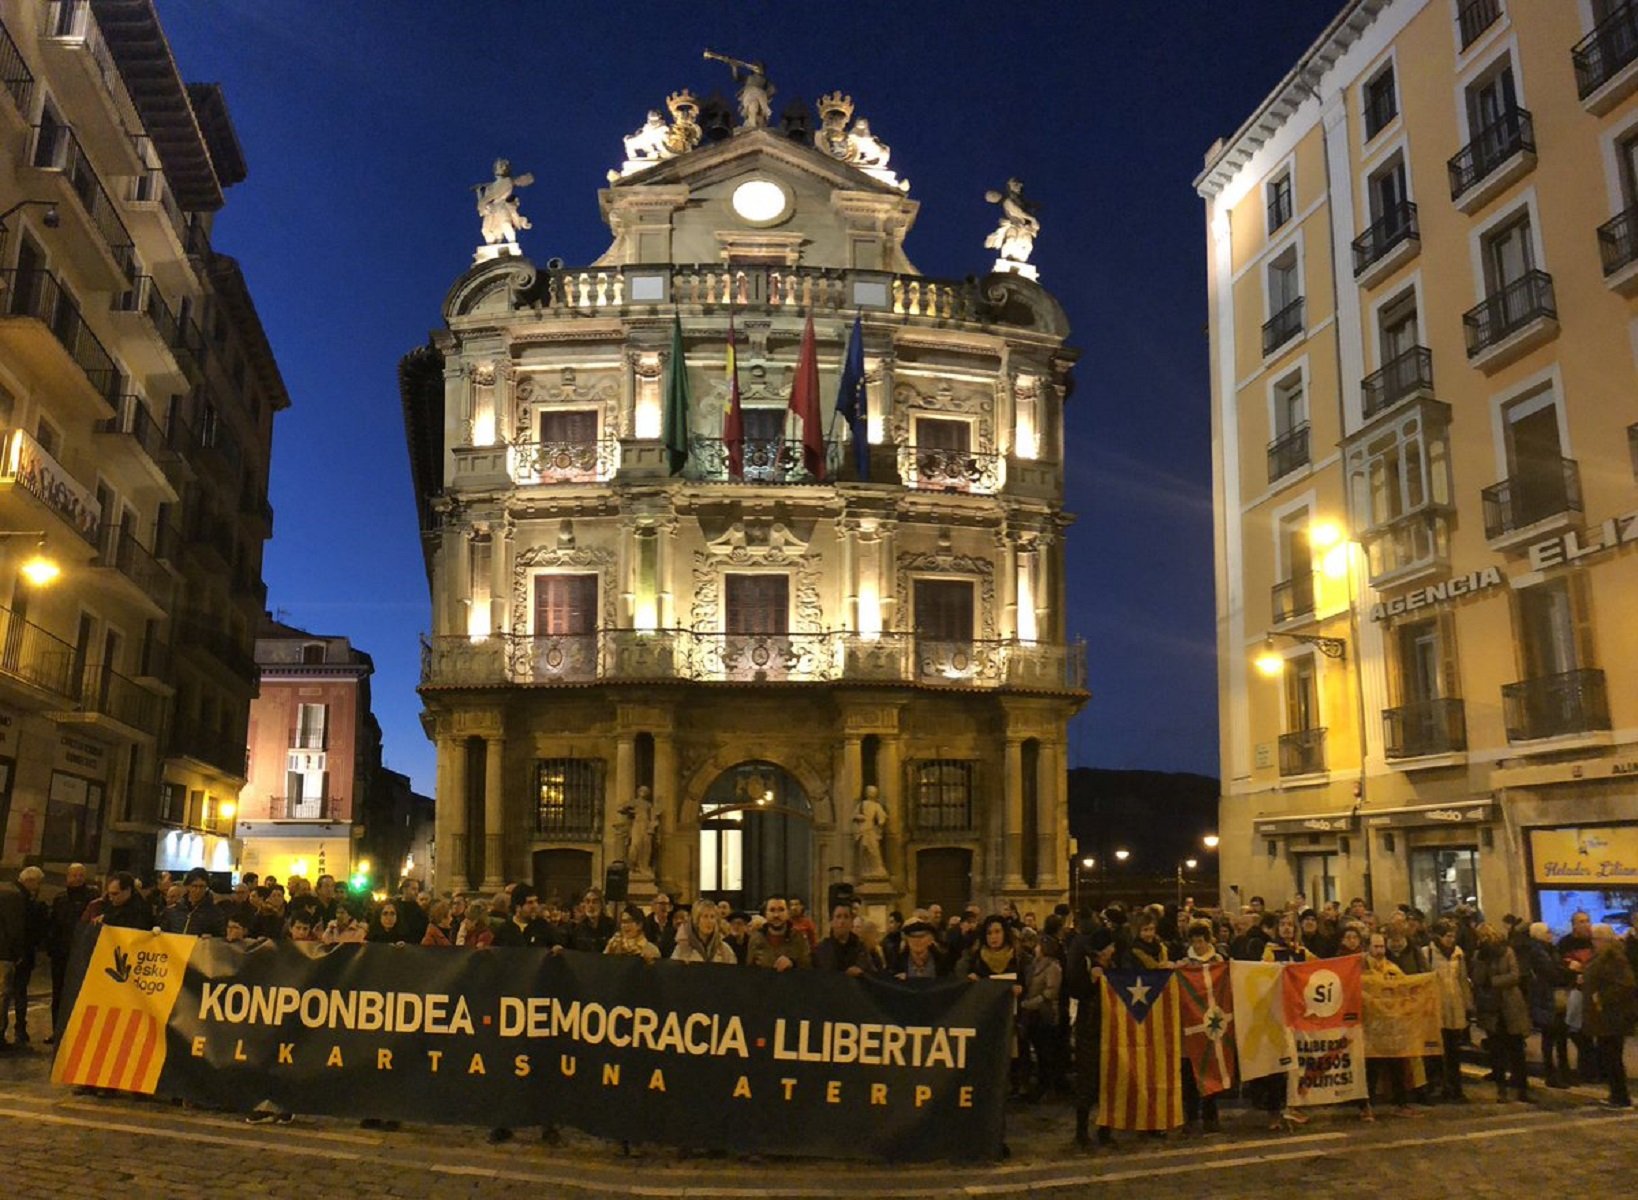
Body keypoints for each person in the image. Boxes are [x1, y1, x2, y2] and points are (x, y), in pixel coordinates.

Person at [1066, 925, 1117, 1149]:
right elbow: (1075, 990)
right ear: (1103, 950)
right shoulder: (1086, 966)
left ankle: (1105, 1130)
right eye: (1111, 946)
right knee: (1087, 1082)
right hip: (1090, 1031)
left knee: (1109, 1082)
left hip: (1110, 1030)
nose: (1114, 949)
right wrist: (1091, 981)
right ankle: (1081, 1131)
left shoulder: (1114, 967)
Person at [1471, 923, 1530, 1103]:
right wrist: (1481, 962)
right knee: (1497, 1051)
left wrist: (1494, 981)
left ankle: (1522, 1089)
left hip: (1510, 1005)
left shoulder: (1507, 952)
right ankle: (1501, 1088)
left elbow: (1514, 975)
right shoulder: (1479, 955)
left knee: (1516, 1049)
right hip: (1492, 1008)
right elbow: (1477, 980)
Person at [1582, 923, 1636, 1109]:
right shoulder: (1603, 956)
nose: (1593, 943)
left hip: (1612, 1016)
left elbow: (1626, 985)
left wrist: (1601, 997)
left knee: (1612, 1057)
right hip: (1603, 1016)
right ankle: (1616, 1094)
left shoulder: (1614, 957)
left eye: (1595, 939)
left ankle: (1620, 1097)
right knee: (1608, 1056)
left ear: (1604, 939)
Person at [45, 863, 97, 1037]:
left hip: (83, 953)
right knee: (58, 993)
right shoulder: (60, 899)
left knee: (80, 992)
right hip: (60, 954)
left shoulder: (93, 898)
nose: (77, 879)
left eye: (80, 875)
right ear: (67, 877)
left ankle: (79, 1031)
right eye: (74, 875)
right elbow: (53, 925)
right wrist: (51, 948)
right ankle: (57, 1031)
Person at [1520, 921, 1570, 1088]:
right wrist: (1566, 971)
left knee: (1558, 1035)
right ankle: (1553, 1073)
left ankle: (1562, 1072)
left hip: (1550, 997)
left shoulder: (1548, 949)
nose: (1551, 934)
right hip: (1546, 997)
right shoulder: (1538, 951)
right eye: (1548, 931)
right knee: (1551, 1035)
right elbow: (1552, 973)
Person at [1017, 926, 1062, 1102]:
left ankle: (1047, 1087)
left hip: (1044, 1014)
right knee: (1038, 1048)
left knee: (1045, 1053)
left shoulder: (1053, 967)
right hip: (1033, 1014)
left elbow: (1051, 992)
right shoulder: (1033, 965)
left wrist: (1031, 1002)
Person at [747, 897, 810, 970]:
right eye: (772, 910)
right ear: (765, 914)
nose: (776, 915)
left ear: (788, 913)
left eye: (781, 910)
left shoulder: (799, 938)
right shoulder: (756, 939)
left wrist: (792, 963)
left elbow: (808, 967)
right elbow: (749, 971)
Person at [161, 868, 227, 937]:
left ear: (206, 887)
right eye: (194, 886)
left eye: (202, 886)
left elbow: (220, 938)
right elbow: (164, 935)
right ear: (187, 886)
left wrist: (211, 939)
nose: (198, 890)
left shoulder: (215, 914)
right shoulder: (173, 910)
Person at [813, 902, 871, 975]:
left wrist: (859, 969)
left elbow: (869, 970)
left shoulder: (860, 948)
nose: (842, 921)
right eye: (838, 917)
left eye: (846, 917)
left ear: (851, 922)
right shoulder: (822, 948)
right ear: (831, 922)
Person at [672, 899, 736, 964]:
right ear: (697, 920)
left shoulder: (724, 950)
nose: (709, 921)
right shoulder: (682, 949)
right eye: (705, 916)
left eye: (712, 917)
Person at [493, 888, 557, 948]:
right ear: (518, 907)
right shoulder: (505, 929)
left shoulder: (543, 926)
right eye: (530, 902)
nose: (535, 906)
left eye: (536, 901)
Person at [568, 888, 615, 952]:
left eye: (595, 902)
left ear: (601, 905)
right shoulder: (577, 928)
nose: (591, 905)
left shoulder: (611, 926)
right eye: (587, 902)